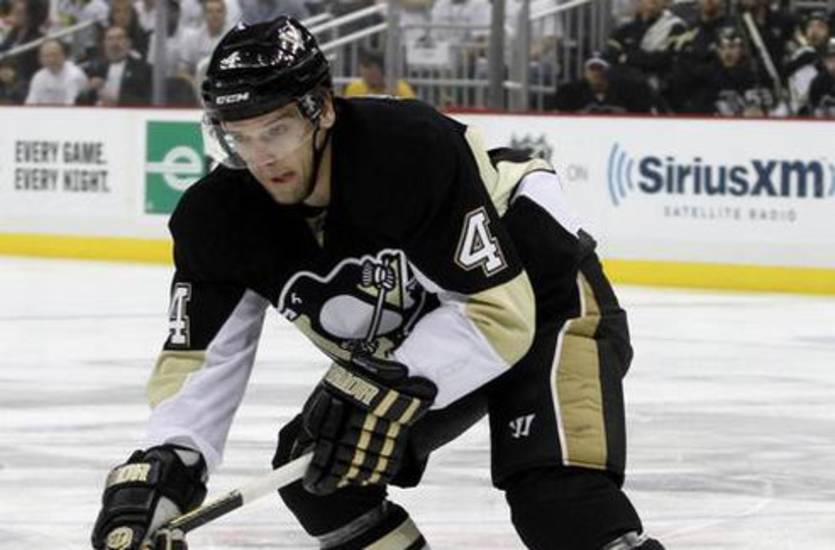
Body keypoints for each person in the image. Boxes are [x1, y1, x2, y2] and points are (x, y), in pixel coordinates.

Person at [90, 16, 665, 550]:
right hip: (424, 343)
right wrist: (168, 467)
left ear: (322, 110)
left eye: (278, 129)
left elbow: (499, 316)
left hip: (545, 302)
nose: (262, 158)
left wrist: (376, 388)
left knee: (558, 500)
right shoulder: (217, 217)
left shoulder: (407, 151)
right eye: (240, 137)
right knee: (320, 472)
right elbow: (200, 361)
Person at [552, 53, 660, 113]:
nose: (596, 73)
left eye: (600, 69)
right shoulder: (569, 92)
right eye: (592, 69)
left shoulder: (626, 92)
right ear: (585, 73)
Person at [79, 25, 152, 106]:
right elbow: (80, 101)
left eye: (119, 38)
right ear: (104, 44)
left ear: (128, 43)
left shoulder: (143, 69)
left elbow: (149, 101)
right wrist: (87, 90)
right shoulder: (95, 67)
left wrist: (118, 100)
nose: (114, 43)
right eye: (110, 39)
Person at [25, 38, 88, 104]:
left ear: (63, 55)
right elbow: (31, 103)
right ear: (40, 59)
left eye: (55, 55)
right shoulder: (38, 76)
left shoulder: (74, 75)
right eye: (46, 56)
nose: (51, 59)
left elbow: (71, 105)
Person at [343, 48, 416, 98]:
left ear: (383, 72)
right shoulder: (354, 88)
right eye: (367, 76)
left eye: (375, 74)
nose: (372, 79)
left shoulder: (398, 88)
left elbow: (412, 110)